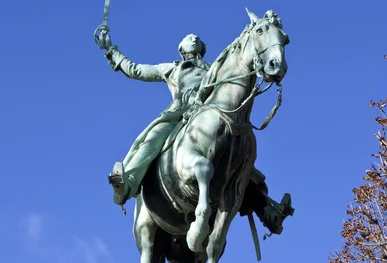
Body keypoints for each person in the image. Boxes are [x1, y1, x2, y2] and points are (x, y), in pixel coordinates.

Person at [96, 30, 293, 234]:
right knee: (152, 141)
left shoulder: (214, 68)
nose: (193, 37)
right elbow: (136, 70)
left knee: (241, 158)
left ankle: (268, 212)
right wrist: (111, 50)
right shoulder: (172, 69)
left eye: (196, 38)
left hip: (210, 115)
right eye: (188, 38)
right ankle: (125, 184)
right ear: (181, 49)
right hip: (179, 115)